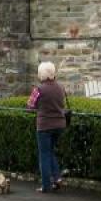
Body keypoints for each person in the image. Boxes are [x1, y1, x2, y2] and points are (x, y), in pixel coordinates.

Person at [27, 61, 67, 193]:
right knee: (50, 151)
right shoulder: (61, 87)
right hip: (60, 124)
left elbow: (30, 106)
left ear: (41, 74)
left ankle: (46, 185)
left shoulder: (39, 89)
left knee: (44, 154)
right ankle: (57, 177)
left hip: (44, 126)